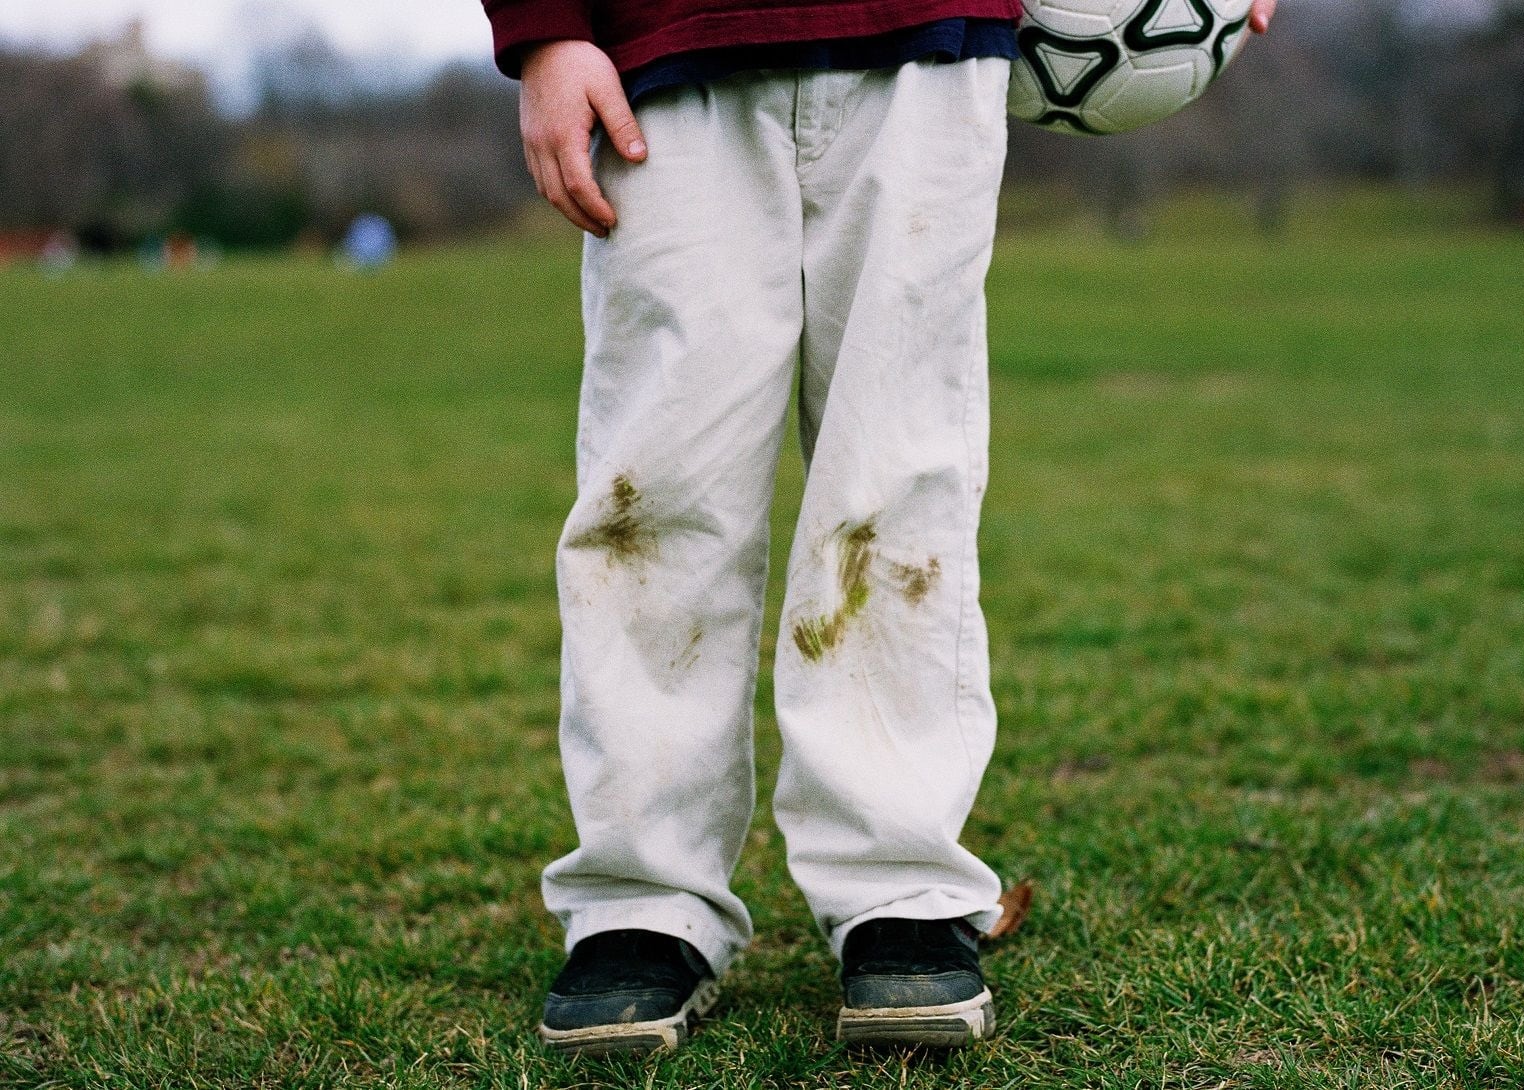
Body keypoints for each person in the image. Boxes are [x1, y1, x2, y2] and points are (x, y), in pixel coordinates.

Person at [480, 0, 1277, 1054]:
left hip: (926, 39)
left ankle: (895, 885)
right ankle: (641, 896)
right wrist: (543, 27)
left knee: (894, 477)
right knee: (654, 490)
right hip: (663, 51)